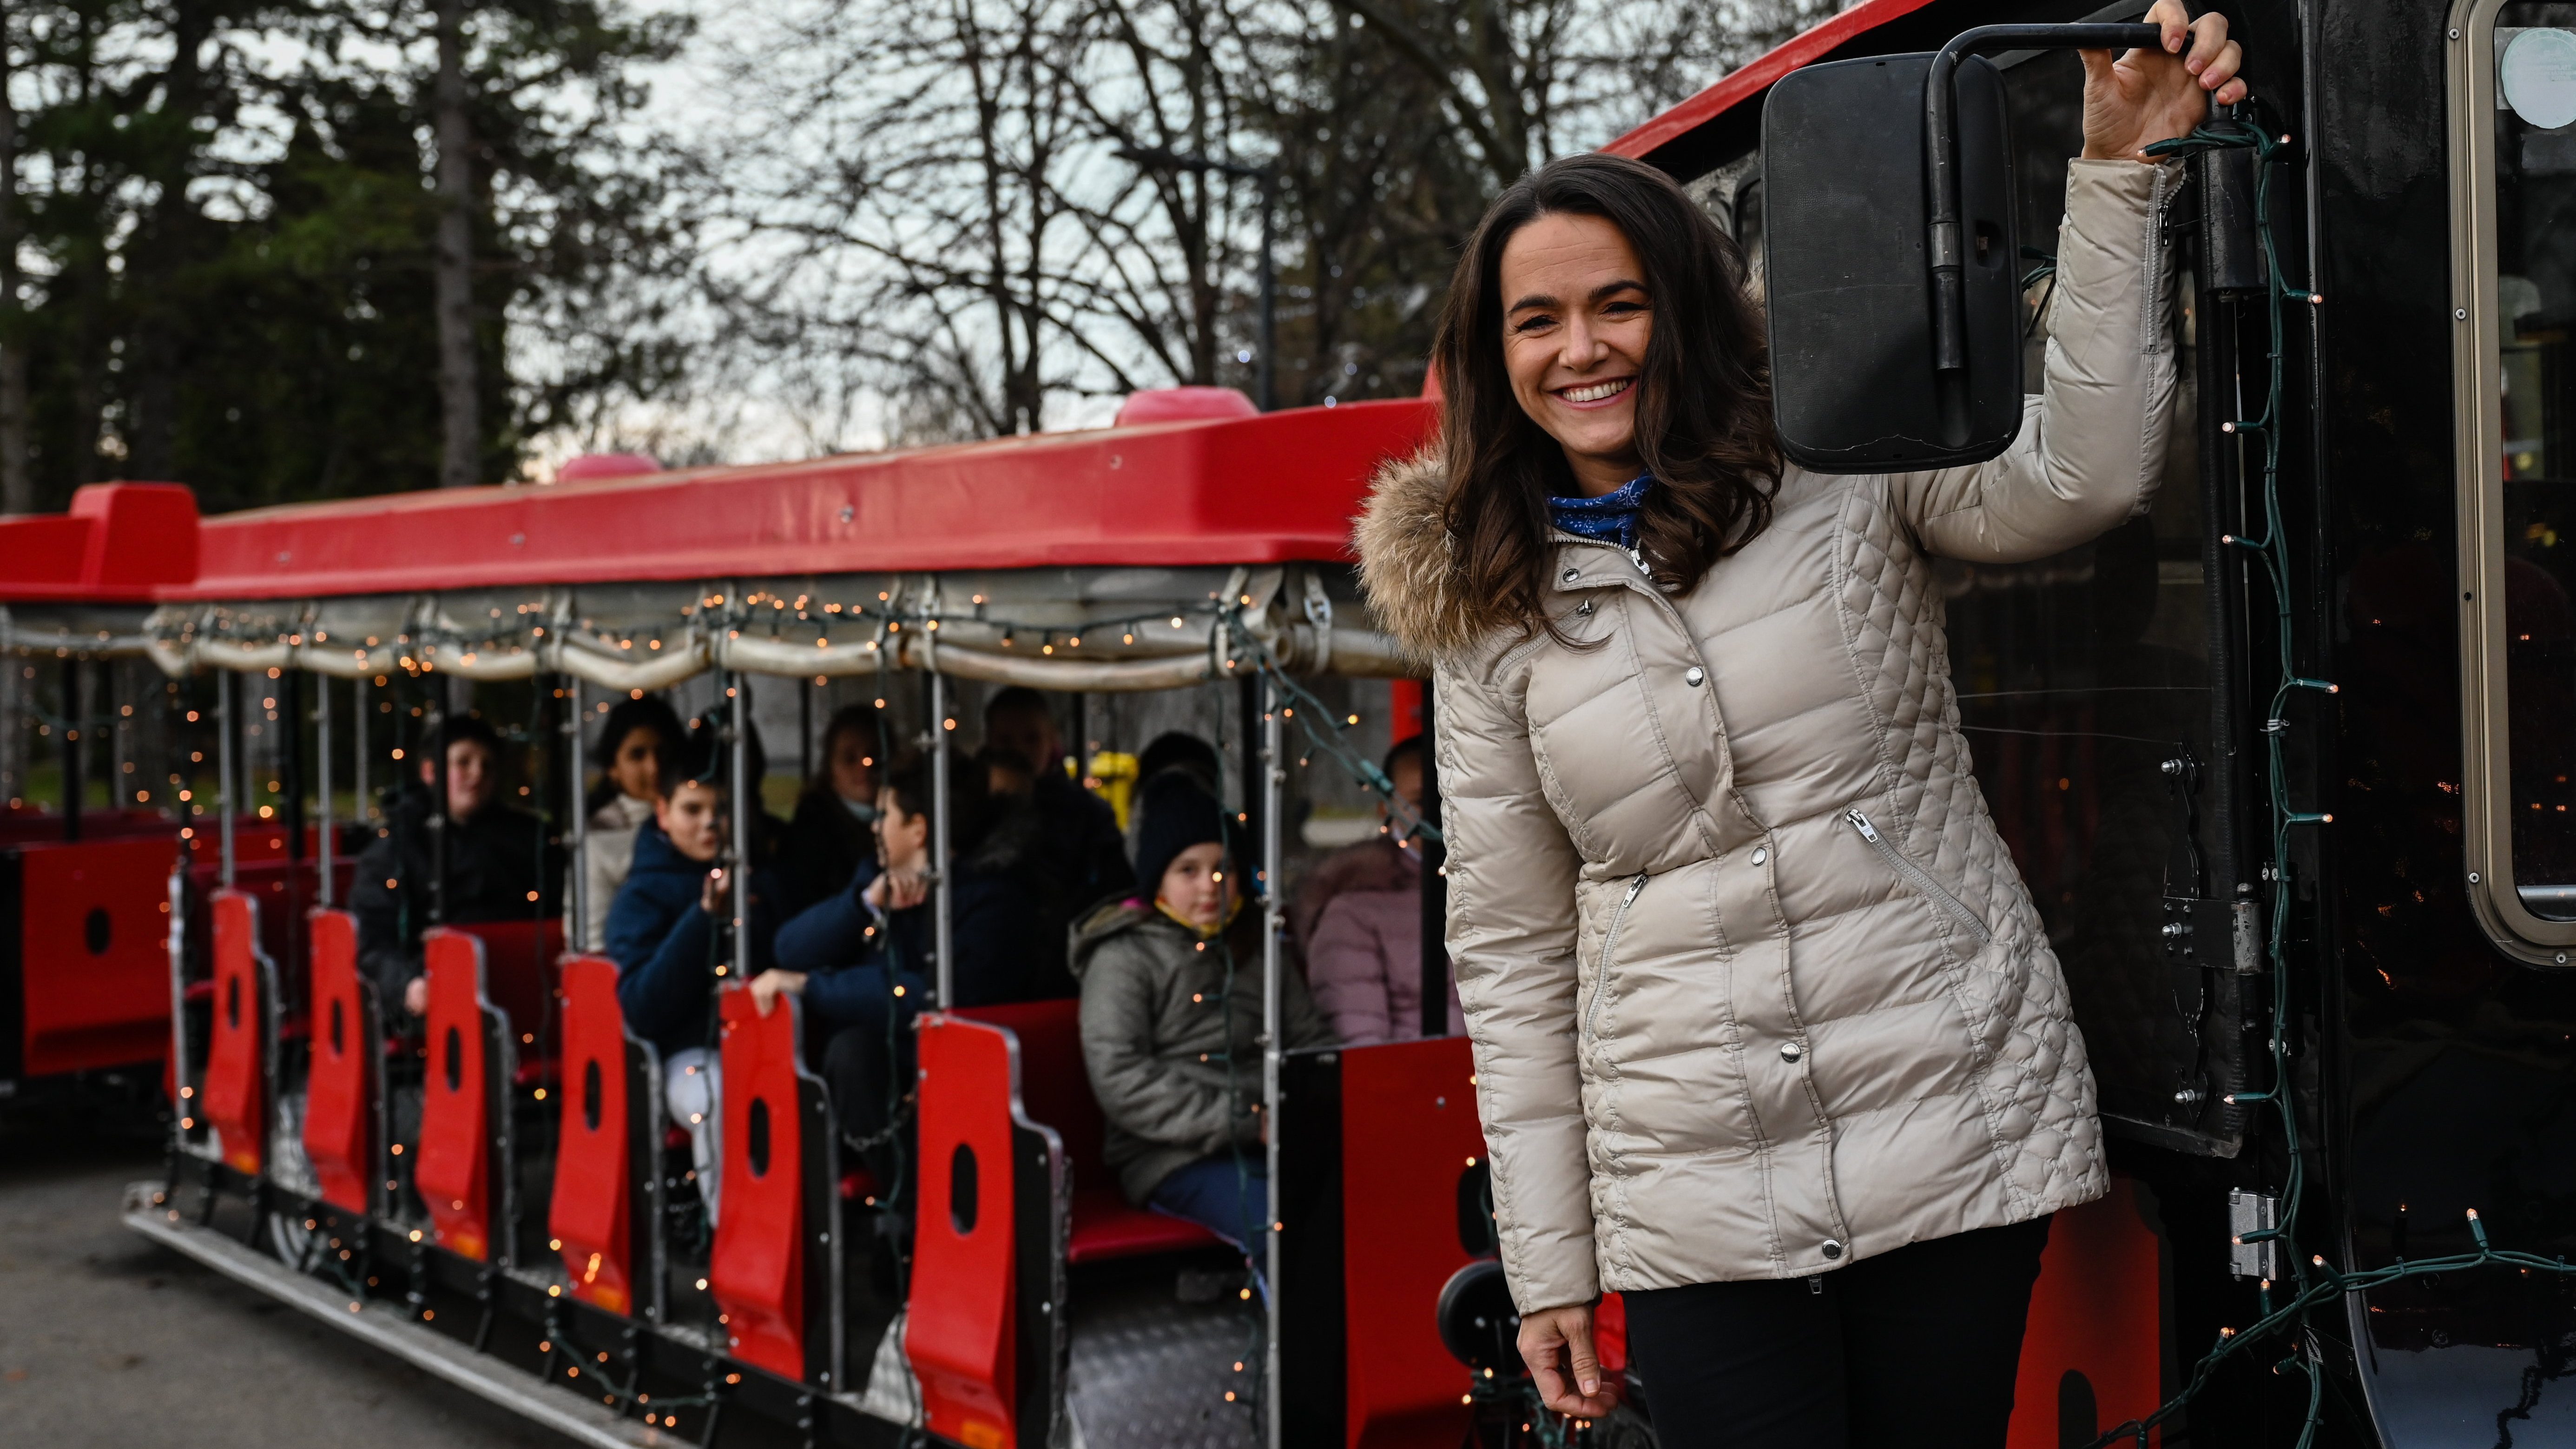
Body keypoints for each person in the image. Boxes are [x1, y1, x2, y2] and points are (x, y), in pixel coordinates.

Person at [1348, 10, 2244, 1443]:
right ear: (1491, 352)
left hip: (1944, 1107)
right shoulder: (1486, 610)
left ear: (1684, 305)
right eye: (1536, 319)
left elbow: (2080, 474)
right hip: (1691, 1189)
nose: (1580, 349)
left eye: (1615, 303)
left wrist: (2114, 176)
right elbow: (1510, 957)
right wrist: (1548, 1261)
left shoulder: (1834, 453)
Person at [1072, 772, 1331, 1280]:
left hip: (1277, 1137)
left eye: (1222, 869)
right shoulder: (1122, 957)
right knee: (1274, 1224)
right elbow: (1121, 1076)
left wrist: (1303, 1109)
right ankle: (1298, 1358)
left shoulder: (1256, 946)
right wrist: (1244, 1119)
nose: (1209, 887)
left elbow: (1310, 1042)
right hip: (1169, 1155)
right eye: (1187, 870)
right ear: (1157, 880)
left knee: (1357, 1200)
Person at [754, 752, 1046, 1193]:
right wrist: (864, 904)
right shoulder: (878, 876)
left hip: (965, 1074)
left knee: (853, 1052)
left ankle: (917, 1213)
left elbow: (929, 998)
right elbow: (790, 948)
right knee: (852, 1053)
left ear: (919, 828)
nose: (874, 826)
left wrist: (816, 988)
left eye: (885, 814)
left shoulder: (993, 901)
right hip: (890, 1072)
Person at [604, 751, 782, 1224]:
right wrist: (702, 921)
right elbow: (642, 1005)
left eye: (720, 810)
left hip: (765, 1046)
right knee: (715, 1094)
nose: (709, 824)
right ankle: (733, 1228)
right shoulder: (639, 897)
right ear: (662, 811)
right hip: (685, 1055)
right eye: (693, 809)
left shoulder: (761, 879)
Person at [351, 714, 554, 1023]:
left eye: (487, 765)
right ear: (431, 771)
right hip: (434, 991)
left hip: (520, 979)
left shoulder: (526, 839)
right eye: (464, 763)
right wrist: (407, 985)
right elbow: (373, 939)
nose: (477, 774)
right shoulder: (395, 849)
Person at [1296, 736, 1462, 1045]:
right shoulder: (1352, 911)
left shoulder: (1499, 888)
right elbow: (1365, 1050)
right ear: (1386, 809)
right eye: (1422, 801)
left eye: (1451, 797)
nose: (1441, 814)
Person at [982, 686, 1136, 912]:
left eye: (1032, 739)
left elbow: (1114, 890)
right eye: (1006, 741)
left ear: (1052, 739)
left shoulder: (1088, 814)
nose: (1019, 751)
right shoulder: (972, 808)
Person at [579, 694, 685, 952]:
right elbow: (593, 945)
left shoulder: (704, 822)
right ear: (613, 768)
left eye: (662, 752)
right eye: (637, 756)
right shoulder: (599, 836)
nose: (654, 767)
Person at [778, 705, 886, 915]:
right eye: (849, 758)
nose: (864, 767)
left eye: (875, 756)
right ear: (830, 768)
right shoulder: (811, 831)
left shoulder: (906, 817)